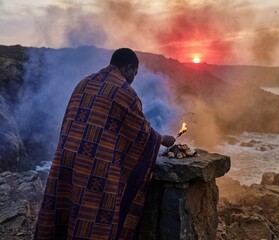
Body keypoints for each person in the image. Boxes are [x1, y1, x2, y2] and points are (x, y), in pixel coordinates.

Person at [34, 48, 175, 239]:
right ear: (128, 68)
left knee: (66, 206)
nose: (133, 77)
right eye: (134, 73)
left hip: (66, 157)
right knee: (91, 215)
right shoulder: (124, 91)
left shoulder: (85, 82)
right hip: (93, 166)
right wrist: (163, 139)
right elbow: (141, 132)